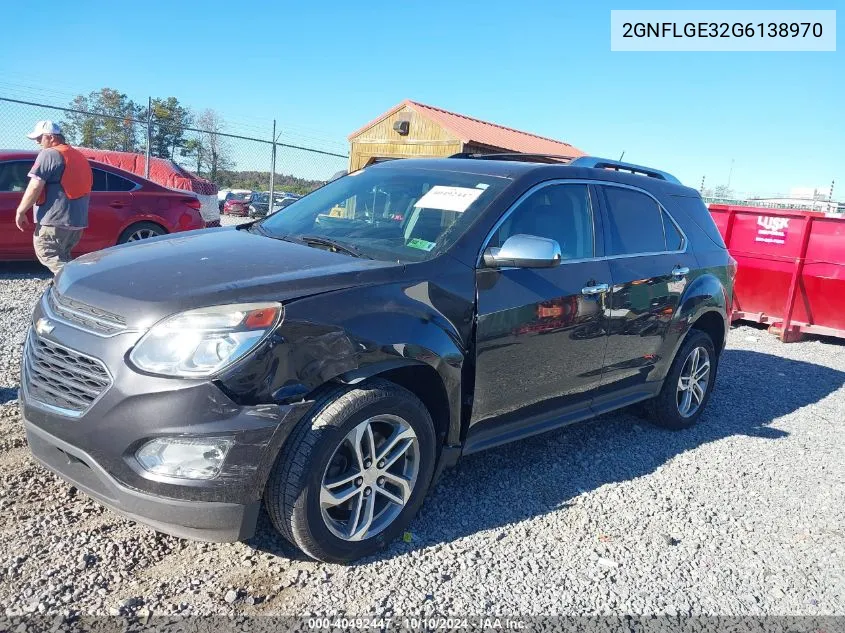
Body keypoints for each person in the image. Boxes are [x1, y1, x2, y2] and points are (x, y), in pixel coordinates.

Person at [14, 120, 93, 275]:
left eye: (39, 137)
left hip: (55, 220)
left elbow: (35, 186)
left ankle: (79, 286)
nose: (37, 142)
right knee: (63, 257)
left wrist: (21, 211)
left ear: (50, 137)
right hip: (77, 222)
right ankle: (64, 289)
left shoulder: (49, 154)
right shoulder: (77, 155)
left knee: (46, 251)